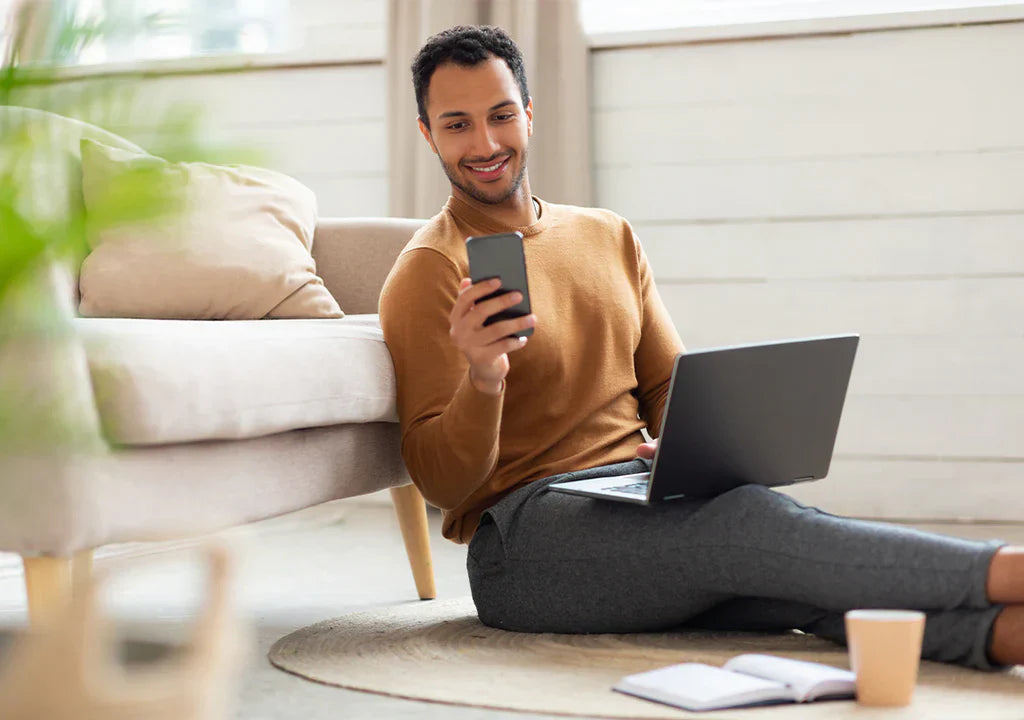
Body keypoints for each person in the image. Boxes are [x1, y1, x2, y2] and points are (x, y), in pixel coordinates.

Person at [379, 24, 1023, 670]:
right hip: (524, 543)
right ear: (428, 135)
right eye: (458, 125)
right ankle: (1009, 569)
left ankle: (1004, 635)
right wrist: (484, 378)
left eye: (500, 115)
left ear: (528, 114)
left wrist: (694, 454)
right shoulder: (430, 269)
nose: (486, 144)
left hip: (638, 494)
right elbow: (442, 483)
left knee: (795, 580)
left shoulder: (607, 235)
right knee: (749, 529)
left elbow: (666, 387)